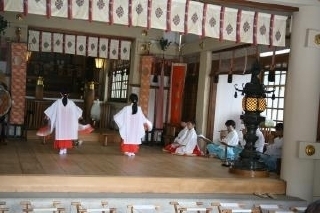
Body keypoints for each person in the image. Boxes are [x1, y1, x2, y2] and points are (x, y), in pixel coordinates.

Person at [44, 89, 83, 155]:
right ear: (68, 94)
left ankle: (61, 149)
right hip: (68, 123)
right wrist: (80, 116)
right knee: (67, 135)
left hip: (60, 123)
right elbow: (77, 111)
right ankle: (65, 149)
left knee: (61, 134)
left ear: (60, 94)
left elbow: (51, 110)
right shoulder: (71, 103)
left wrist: (47, 116)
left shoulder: (57, 102)